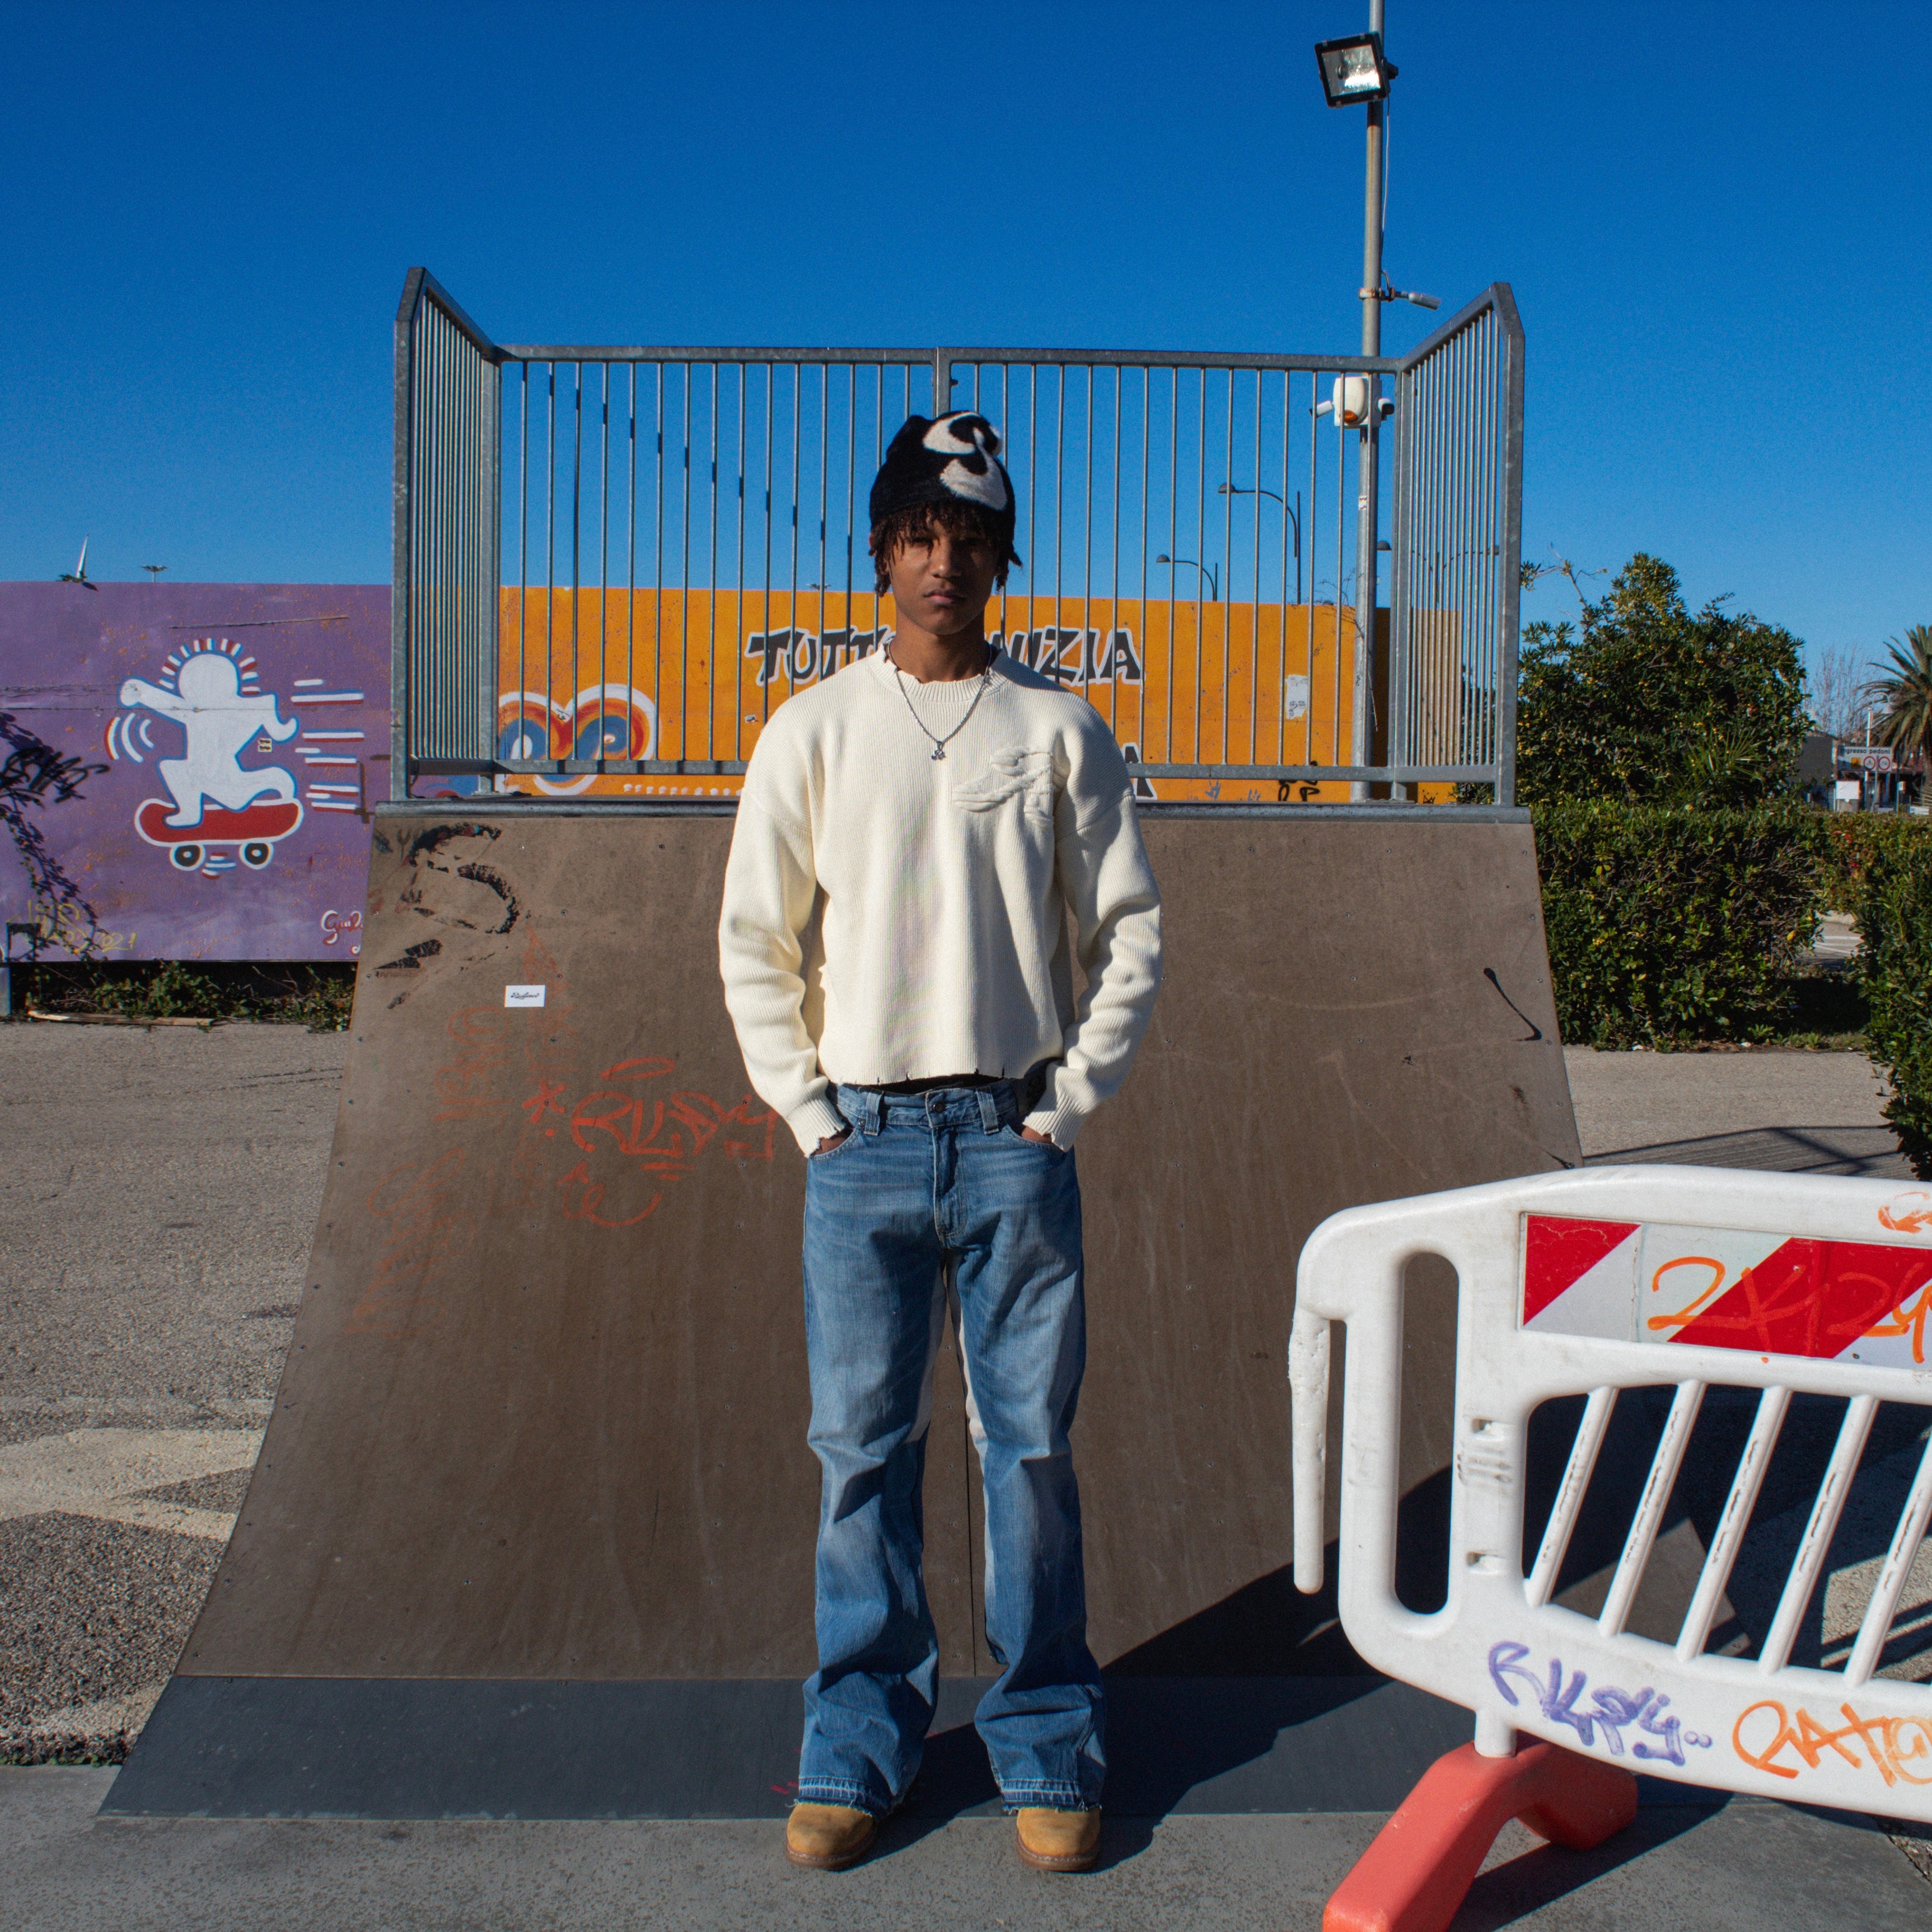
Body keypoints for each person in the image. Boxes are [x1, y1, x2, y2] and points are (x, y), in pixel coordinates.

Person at [717, 410, 1163, 1874]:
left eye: (968, 539)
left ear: (999, 559)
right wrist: (809, 1116)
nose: (940, 563)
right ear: (877, 552)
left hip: (1011, 1137)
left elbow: (1127, 929)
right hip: (861, 1150)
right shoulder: (813, 729)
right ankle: (856, 1750)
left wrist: (1068, 1100)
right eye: (916, 535)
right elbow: (754, 941)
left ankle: (1045, 1741)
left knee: (1025, 1451)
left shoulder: (1055, 728)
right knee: (859, 1455)